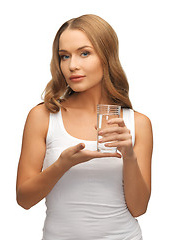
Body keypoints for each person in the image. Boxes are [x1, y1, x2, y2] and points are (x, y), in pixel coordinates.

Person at [16, 14, 153, 240]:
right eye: (64, 56)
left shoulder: (138, 124)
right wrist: (62, 165)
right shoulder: (43, 116)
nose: (72, 65)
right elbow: (24, 200)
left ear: (106, 57)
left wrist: (129, 156)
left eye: (84, 53)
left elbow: (139, 208)